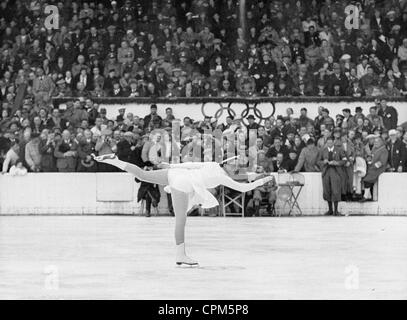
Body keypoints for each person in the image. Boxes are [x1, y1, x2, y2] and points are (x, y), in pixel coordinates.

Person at [92, 154, 274, 266]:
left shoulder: (213, 165)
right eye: (234, 165)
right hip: (183, 182)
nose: (236, 167)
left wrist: (170, 166)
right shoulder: (221, 176)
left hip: (177, 175)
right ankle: (181, 255)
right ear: (227, 164)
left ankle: (115, 161)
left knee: (142, 174)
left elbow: (191, 165)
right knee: (181, 219)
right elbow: (243, 187)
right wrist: (264, 181)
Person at [318, 136, 346, 215]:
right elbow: (318, 161)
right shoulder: (323, 151)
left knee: (335, 190)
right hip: (326, 171)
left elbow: (344, 160)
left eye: (331, 142)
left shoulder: (339, 150)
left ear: (333, 142)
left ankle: (336, 210)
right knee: (327, 190)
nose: (329, 144)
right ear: (326, 143)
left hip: (336, 171)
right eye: (328, 143)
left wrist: (336, 163)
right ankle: (330, 210)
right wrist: (324, 162)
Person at [360, 137, 388, 202]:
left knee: (368, 178)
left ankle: (365, 196)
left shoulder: (384, 150)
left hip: (379, 168)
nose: (376, 143)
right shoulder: (374, 149)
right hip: (372, 166)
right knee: (364, 175)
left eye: (377, 142)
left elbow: (382, 161)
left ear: (381, 142)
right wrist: (368, 160)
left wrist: (373, 166)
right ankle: (368, 195)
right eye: (375, 142)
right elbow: (371, 156)